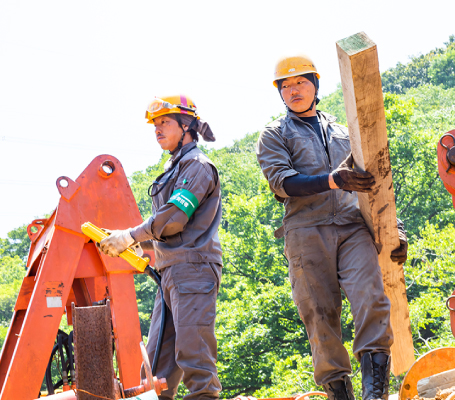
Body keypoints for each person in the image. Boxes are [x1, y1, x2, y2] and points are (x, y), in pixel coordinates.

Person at [256, 56, 408, 400]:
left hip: (353, 227)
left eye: (300, 83)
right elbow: (284, 183)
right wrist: (333, 180)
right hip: (306, 231)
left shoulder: (345, 132)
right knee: (320, 316)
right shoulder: (274, 134)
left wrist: (393, 228)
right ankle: (340, 393)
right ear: (279, 93)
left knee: (371, 298)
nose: (293, 90)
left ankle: (375, 393)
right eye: (285, 85)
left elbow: (377, 181)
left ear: (316, 85)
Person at [98, 95, 222, 400]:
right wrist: (144, 243)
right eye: (154, 124)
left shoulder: (197, 166)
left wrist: (130, 236)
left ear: (187, 125)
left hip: (193, 270)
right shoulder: (175, 167)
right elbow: (169, 226)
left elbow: (175, 218)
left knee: (194, 355)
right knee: (154, 369)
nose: (157, 129)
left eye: (164, 122)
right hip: (170, 273)